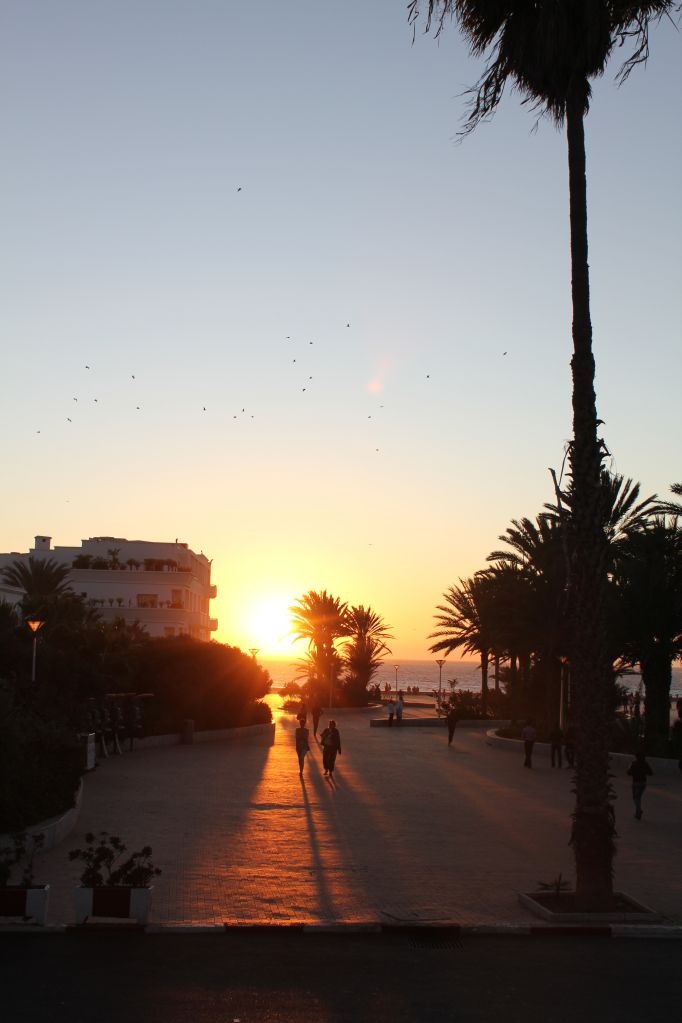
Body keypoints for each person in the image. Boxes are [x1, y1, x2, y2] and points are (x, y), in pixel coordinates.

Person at [627, 751, 653, 820]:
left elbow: (628, 773)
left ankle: (638, 811)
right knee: (638, 798)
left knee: (635, 798)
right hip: (643, 783)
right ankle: (637, 812)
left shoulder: (634, 763)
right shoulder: (645, 764)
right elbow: (651, 773)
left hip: (636, 783)